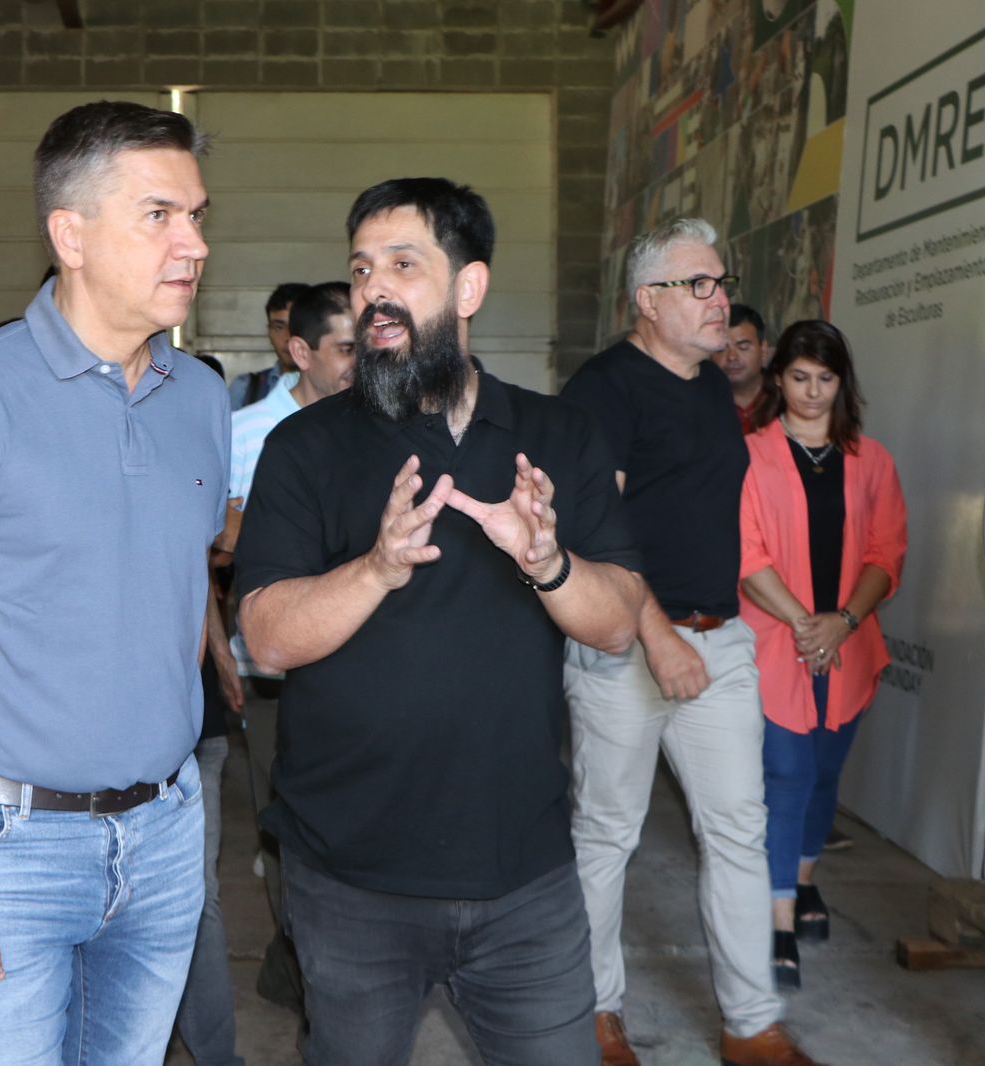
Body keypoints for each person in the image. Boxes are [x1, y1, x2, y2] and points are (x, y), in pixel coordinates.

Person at [234, 177, 646, 1065]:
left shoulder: (559, 435)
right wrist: (377, 568)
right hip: (351, 879)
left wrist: (549, 562)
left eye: (402, 266)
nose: (373, 291)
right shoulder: (306, 447)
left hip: (525, 878)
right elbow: (265, 638)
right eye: (360, 270)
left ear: (469, 287)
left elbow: (617, 624)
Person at [0, 100, 227, 1063]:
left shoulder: (199, 398)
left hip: (164, 840)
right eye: (160, 215)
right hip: (1, 854)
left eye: (197, 215)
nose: (194, 243)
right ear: (71, 236)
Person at [560, 218, 821, 1066]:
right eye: (699, 285)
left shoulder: (711, 386)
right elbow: (595, 534)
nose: (720, 300)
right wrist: (660, 638)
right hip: (629, 646)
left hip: (720, 639)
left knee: (739, 831)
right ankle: (593, 1015)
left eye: (722, 282)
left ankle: (751, 1024)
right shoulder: (605, 390)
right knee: (608, 835)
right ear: (648, 301)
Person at [738, 320, 906, 989]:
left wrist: (844, 622)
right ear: (778, 379)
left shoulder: (873, 461)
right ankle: (779, 920)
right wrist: (808, 625)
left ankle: (805, 877)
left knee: (825, 775)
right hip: (777, 642)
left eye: (825, 379)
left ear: (843, 382)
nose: (811, 392)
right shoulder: (748, 456)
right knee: (786, 775)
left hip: (848, 647)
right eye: (800, 377)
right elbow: (747, 554)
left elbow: (886, 552)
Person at [212, 278, 357, 1020]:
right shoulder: (242, 436)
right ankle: (310, 983)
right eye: (347, 349)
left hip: (358, 667)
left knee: (346, 825)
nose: (363, 363)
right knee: (283, 826)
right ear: (301, 352)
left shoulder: (379, 430)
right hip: (272, 673)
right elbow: (203, 544)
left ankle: (297, 966)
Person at [229, 282, 309, 410]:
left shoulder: (333, 387)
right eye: (279, 327)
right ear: (269, 333)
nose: (288, 337)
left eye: (296, 326)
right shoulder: (245, 388)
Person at [714, 304, 771, 433]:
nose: (732, 357)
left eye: (743, 347)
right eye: (722, 349)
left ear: (763, 350)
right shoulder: (697, 402)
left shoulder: (786, 399)